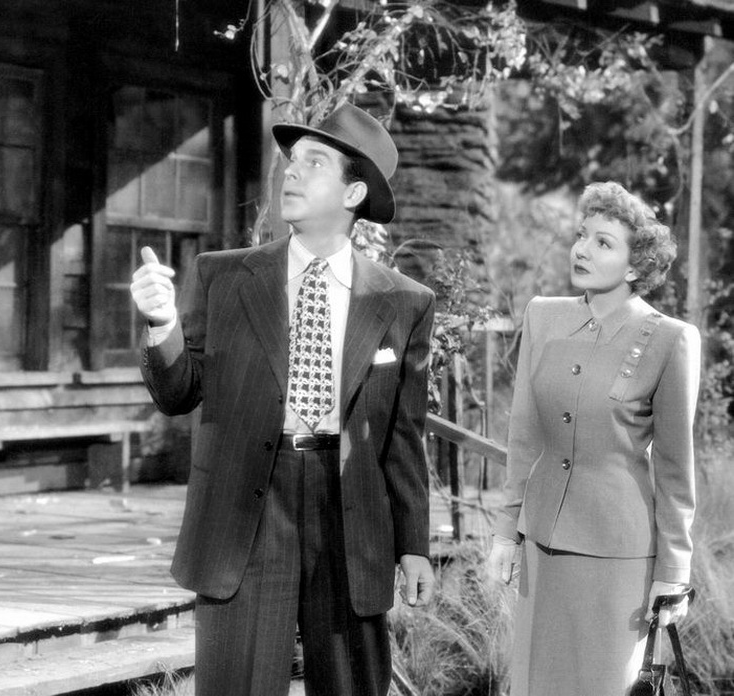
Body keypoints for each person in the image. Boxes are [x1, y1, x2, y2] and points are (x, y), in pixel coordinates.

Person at [130, 103, 437, 696]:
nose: (291, 171)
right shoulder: (224, 277)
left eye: (314, 162)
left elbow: (402, 437)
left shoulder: (404, 302)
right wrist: (162, 325)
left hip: (351, 515)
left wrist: (414, 546)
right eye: (292, 160)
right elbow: (178, 394)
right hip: (247, 509)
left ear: (353, 193)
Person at [487, 180, 702, 694]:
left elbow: (675, 469)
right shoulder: (543, 315)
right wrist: (505, 530)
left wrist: (673, 570)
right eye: (581, 235)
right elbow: (524, 434)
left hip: (619, 556)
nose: (581, 249)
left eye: (603, 242)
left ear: (634, 265)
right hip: (540, 546)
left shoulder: (671, 339)